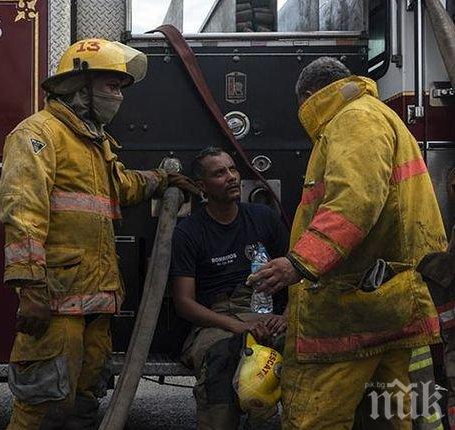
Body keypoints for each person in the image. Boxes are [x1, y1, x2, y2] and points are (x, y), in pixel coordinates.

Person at [0, 38, 195, 430]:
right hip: (55, 299)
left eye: (121, 87)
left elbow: (117, 187)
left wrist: (160, 180)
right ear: (80, 87)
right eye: (111, 85)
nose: (118, 96)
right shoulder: (39, 134)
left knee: (84, 403)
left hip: (96, 299)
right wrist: (30, 286)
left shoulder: (93, 142)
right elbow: (22, 210)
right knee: (43, 404)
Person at [250, 57, 448, 429]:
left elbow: (353, 202)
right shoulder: (374, 115)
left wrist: (298, 263)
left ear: (310, 95)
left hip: (349, 313)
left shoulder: (353, 120)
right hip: (385, 304)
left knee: (313, 418)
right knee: (390, 418)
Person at [170, 146, 289, 429]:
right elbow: (184, 303)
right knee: (220, 361)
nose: (231, 177)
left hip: (268, 313)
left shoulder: (263, 217)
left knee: (302, 353)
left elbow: (296, 274)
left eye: (232, 169)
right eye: (219, 173)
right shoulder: (188, 232)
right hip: (217, 319)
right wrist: (235, 327)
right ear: (202, 186)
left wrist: (286, 316)